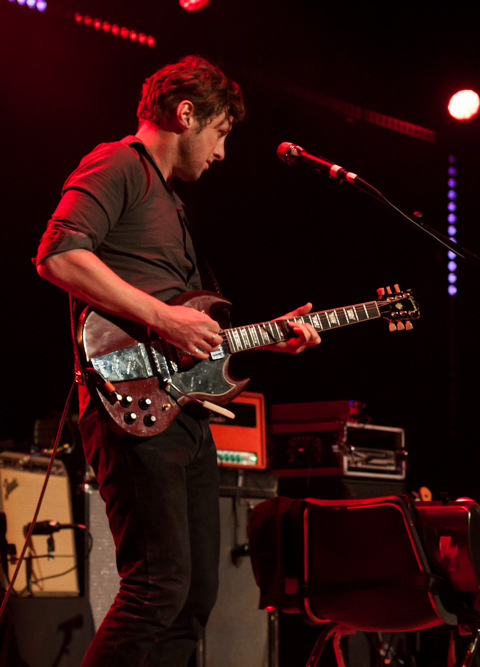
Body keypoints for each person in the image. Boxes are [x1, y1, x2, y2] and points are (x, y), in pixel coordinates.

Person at [34, 56, 320, 666]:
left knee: (193, 598)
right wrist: (165, 318)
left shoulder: (170, 201)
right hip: (129, 405)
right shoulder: (117, 162)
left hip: (181, 410)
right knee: (155, 589)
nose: (221, 153)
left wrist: (264, 338)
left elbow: (185, 323)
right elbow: (58, 255)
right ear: (186, 114)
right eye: (220, 133)